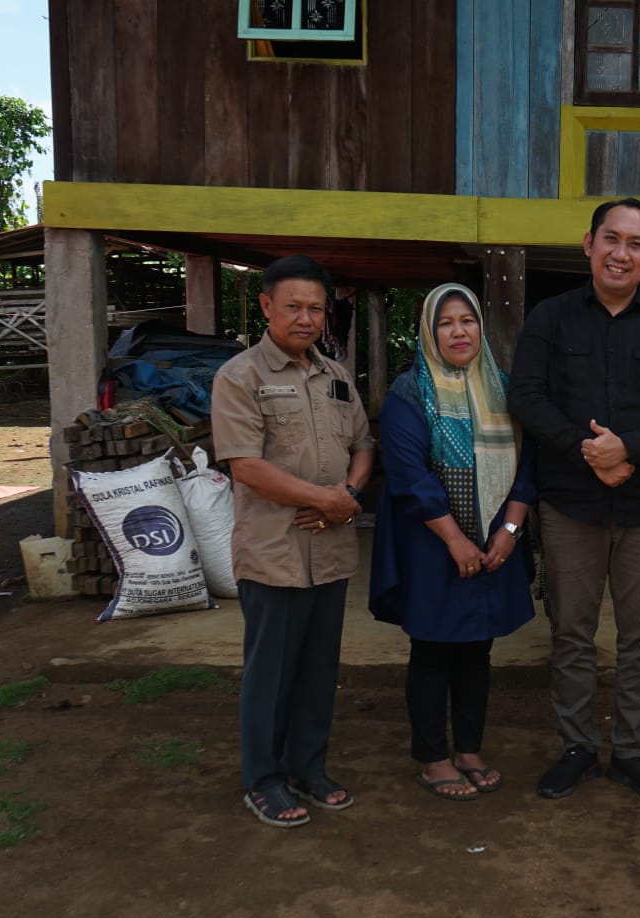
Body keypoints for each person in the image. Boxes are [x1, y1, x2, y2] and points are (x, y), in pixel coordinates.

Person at [508, 197, 640, 800]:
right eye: (611, 239)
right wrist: (589, 452)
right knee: (571, 631)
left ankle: (630, 751)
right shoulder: (550, 318)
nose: (621, 253)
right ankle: (577, 748)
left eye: (635, 244)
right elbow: (526, 396)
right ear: (589, 244)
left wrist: (630, 449)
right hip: (571, 503)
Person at [211, 254, 374, 828]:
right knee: (271, 674)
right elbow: (246, 467)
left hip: (329, 549)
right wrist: (325, 500)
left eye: (316, 309)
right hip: (274, 552)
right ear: (266, 306)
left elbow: (363, 446)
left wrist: (346, 496)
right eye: (293, 307)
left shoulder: (336, 376)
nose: (306, 319)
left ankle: (308, 767)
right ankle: (263, 780)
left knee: (317, 670)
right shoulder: (240, 377)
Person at [369, 283, 536, 801]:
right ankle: (432, 757)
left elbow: (528, 466)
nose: (459, 332)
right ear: (428, 331)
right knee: (433, 647)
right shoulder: (409, 393)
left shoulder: (503, 389)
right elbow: (409, 476)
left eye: (468, 320)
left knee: (477, 648)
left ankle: (468, 749)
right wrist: (455, 540)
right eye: (445, 323)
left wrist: (509, 531)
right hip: (432, 543)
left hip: (493, 540)